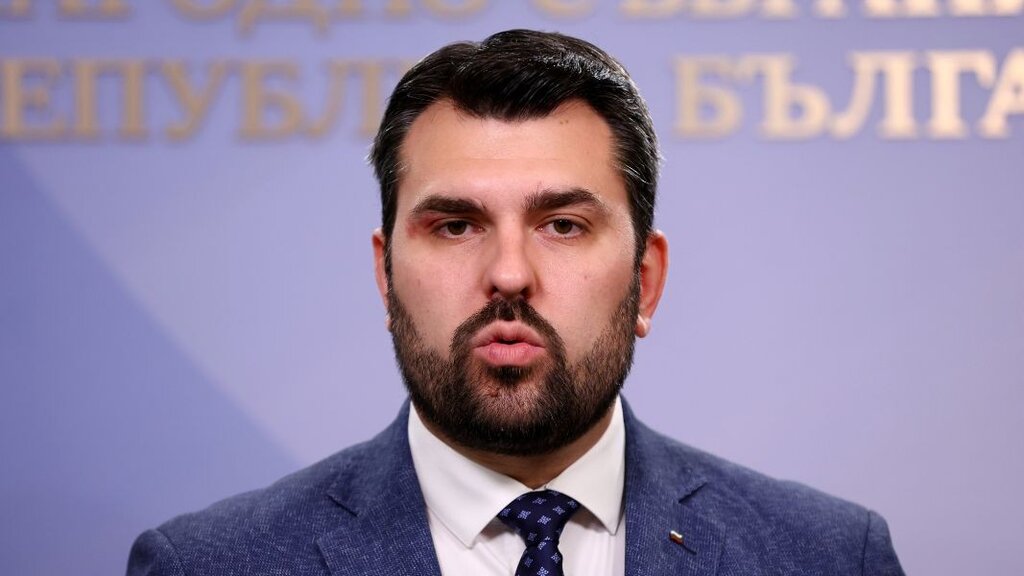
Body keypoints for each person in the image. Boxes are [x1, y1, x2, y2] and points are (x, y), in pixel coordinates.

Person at [127, 29, 904, 576]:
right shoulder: (209, 565)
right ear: (385, 277)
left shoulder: (830, 556)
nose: (508, 273)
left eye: (562, 225)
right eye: (455, 225)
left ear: (646, 280)